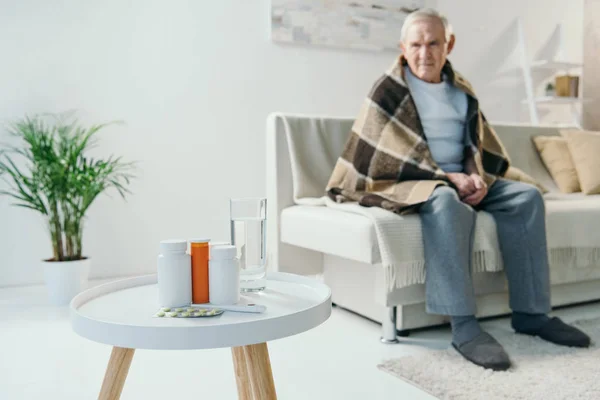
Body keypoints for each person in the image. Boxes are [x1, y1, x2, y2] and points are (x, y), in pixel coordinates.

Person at [327, 8, 590, 371]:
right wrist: (447, 179)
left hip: (461, 177)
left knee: (526, 197)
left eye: (433, 42)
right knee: (446, 203)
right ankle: (464, 326)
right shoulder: (388, 90)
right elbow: (380, 158)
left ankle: (532, 314)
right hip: (414, 181)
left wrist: (474, 175)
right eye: (416, 44)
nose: (425, 53)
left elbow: (475, 146)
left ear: (449, 44)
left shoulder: (460, 88)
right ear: (403, 47)